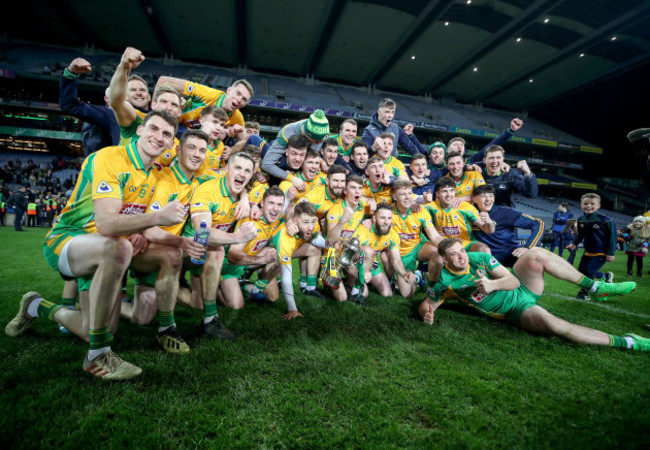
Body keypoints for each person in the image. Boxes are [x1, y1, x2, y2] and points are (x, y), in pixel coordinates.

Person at [6, 110, 185, 380]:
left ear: (172, 144)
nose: (159, 137)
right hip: (68, 239)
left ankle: (36, 305)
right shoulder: (109, 157)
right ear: (140, 130)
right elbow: (106, 224)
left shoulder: (153, 176)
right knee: (119, 248)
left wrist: (146, 229)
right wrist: (157, 217)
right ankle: (97, 355)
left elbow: (135, 223)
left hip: (103, 251)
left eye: (166, 134)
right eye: (154, 129)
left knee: (98, 326)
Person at [418, 238, 649, 351]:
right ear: (446, 260)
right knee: (554, 324)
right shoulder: (445, 284)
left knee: (536, 253)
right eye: (455, 255)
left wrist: (491, 285)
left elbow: (512, 279)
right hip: (516, 310)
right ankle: (628, 342)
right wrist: (427, 314)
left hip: (523, 288)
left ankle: (595, 288)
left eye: (462, 251)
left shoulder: (478, 258)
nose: (462, 257)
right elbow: (428, 304)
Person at [188, 152, 257, 339]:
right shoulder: (208, 191)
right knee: (217, 250)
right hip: (184, 247)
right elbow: (202, 234)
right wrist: (238, 237)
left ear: (251, 176)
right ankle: (210, 320)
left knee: (231, 303)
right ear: (226, 168)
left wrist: (246, 199)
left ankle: (192, 288)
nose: (242, 174)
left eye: (247, 171)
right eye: (237, 168)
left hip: (203, 252)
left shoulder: (241, 195)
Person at [109, 47, 183, 167]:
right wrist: (124, 67)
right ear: (153, 104)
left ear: (180, 111)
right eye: (163, 101)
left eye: (174, 104)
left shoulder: (176, 145)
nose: (168, 107)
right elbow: (117, 102)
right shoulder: (136, 121)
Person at [219, 187, 285, 308]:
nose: (275, 209)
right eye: (271, 203)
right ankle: (215, 285)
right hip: (230, 265)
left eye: (279, 204)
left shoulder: (276, 220)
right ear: (262, 203)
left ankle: (254, 288)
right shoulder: (250, 222)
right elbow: (232, 256)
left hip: (248, 262)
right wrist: (262, 260)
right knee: (235, 305)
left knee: (273, 297)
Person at [271, 201, 327, 319]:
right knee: (272, 297)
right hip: (267, 260)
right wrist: (292, 309)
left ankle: (309, 286)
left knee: (314, 249)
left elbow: (315, 239)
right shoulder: (286, 236)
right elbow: (287, 278)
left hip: (283, 253)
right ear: (295, 221)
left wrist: (333, 245)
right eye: (306, 222)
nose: (310, 226)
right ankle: (250, 282)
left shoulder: (311, 226)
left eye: (313, 222)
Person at [388, 180, 443, 296]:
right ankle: (418, 278)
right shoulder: (388, 212)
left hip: (418, 246)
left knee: (437, 254)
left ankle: (432, 287)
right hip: (400, 252)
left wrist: (449, 249)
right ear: (394, 196)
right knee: (407, 295)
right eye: (403, 194)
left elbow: (434, 236)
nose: (407, 197)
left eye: (409, 193)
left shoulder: (420, 210)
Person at [155, 76, 253, 138]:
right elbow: (163, 81)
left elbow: (243, 140)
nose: (239, 100)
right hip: (175, 124)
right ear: (229, 90)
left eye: (244, 99)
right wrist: (153, 107)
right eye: (238, 93)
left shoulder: (237, 117)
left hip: (193, 138)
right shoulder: (207, 94)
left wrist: (231, 144)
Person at [471, 184, 545, 267]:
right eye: (483, 196)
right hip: (484, 254)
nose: (488, 199)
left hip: (510, 253)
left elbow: (538, 223)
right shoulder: (468, 213)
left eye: (491, 196)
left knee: (533, 264)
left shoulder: (506, 212)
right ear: (474, 199)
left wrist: (528, 247)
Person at [59, 57, 121, 155]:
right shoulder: (102, 115)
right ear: (107, 99)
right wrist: (70, 74)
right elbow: (70, 105)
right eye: (117, 95)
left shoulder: (138, 117)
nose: (122, 98)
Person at [566, 193, 616, 300]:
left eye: (592, 204)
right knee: (581, 272)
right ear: (581, 205)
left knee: (589, 271)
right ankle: (605, 276)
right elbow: (581, 234)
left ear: (599, 206)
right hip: (588, 251)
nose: (588, 206)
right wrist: (574, 243)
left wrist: (611, 253)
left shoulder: (606, 220)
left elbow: (612, 237)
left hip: (601, 252)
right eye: (585, 203)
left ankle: (585, 293)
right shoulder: (581, 219)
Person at [426, 177, 494, 253]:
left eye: (451, 190)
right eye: (444, 191)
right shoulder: (431, 207)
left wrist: (489, 222)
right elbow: (413, 209)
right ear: (437, 194)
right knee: (435, 253)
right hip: (443, 244)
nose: (449, 195)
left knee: (484, 249)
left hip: (466, 244)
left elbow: (488, 230)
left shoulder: (466, 207)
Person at [261, 111, 329, 185]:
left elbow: (311, 156)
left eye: (321, 141)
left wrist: (321, 161)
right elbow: (267, 164)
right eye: (316, 141)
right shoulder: (286, 134)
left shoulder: (318, 130)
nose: (319, 143)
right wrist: (291, 178)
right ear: (308, 135)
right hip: (282, 160)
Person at [361, 98, 426, 158]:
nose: (390, 116)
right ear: (379, 112)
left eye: (392, 112)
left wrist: (419, 160)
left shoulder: (396, 128)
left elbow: (411, 148)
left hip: (392, 167)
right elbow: (364, 155)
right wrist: (373, 148)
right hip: (375, 167)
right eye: (387, 112)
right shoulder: (368, 131)